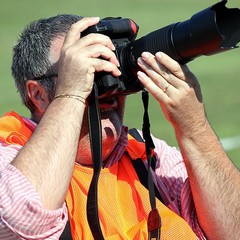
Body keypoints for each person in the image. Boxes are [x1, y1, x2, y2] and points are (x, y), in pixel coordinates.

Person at [0, 14, 239, 240]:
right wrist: (71, 93)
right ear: (38, 95)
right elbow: (21, 223)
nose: (109, 86)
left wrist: (195, 130)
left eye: (110, 66)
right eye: (88, 71)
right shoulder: (10, 155)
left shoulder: (147, 156)